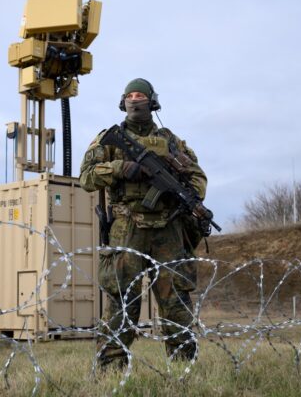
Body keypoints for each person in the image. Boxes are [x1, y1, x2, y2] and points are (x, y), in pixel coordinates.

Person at [79, 78, 207, 369]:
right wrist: (120, 168)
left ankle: (185, 365)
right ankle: (112, 369)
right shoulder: (108, 139)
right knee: (123, 302)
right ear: (123, 101)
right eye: (131, 96)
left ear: (152, 102)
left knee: (176, 300)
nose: (135, 100)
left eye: (141, 96)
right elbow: (85, 177)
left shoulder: (172, 142)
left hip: (168, 228)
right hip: (127, 227)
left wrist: (185, 194)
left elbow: (198, 178)